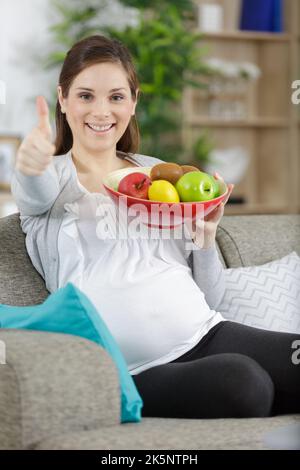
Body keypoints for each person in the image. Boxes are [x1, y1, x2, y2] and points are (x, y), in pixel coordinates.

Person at [12, 35, 300, 419]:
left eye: (116, 96)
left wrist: (205, 238)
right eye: (85, 96)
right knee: (245, 383)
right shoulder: (52, 183)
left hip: (206, 332)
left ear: (133, 103)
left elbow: (209, 297)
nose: (101, 110)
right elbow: (33, 190)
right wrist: (31, 164)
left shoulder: (160, 175)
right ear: (63, 99)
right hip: (135, 369)